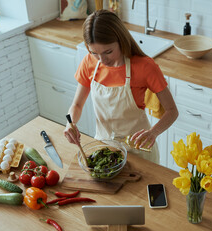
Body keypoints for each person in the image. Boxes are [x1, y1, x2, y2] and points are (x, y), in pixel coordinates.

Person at [63, 9, 178, 164]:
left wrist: (153, 133)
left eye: (108, 51)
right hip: (104, 150)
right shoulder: (88, 62)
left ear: (121, 40)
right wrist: (70, 124)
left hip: (139, 151)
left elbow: (172, 111)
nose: (102, 60)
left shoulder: (145, 66)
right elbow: (76, 105)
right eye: (94, 53)